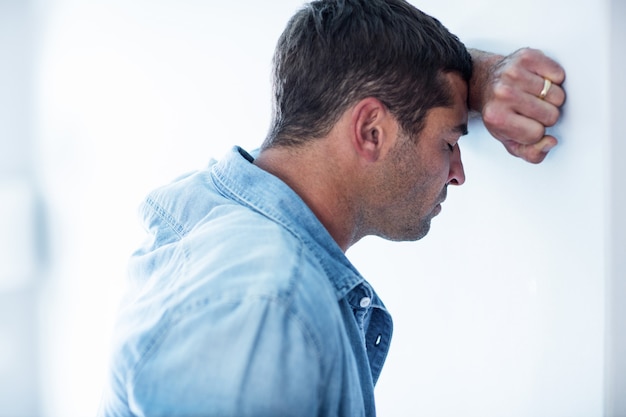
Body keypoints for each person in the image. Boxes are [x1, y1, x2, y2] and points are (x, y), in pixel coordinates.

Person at [98, 0, 565, 416]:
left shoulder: (219, 217)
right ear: (371, 132)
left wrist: (476, 77)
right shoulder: (266, 306)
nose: (457, 173)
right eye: (448, 142)